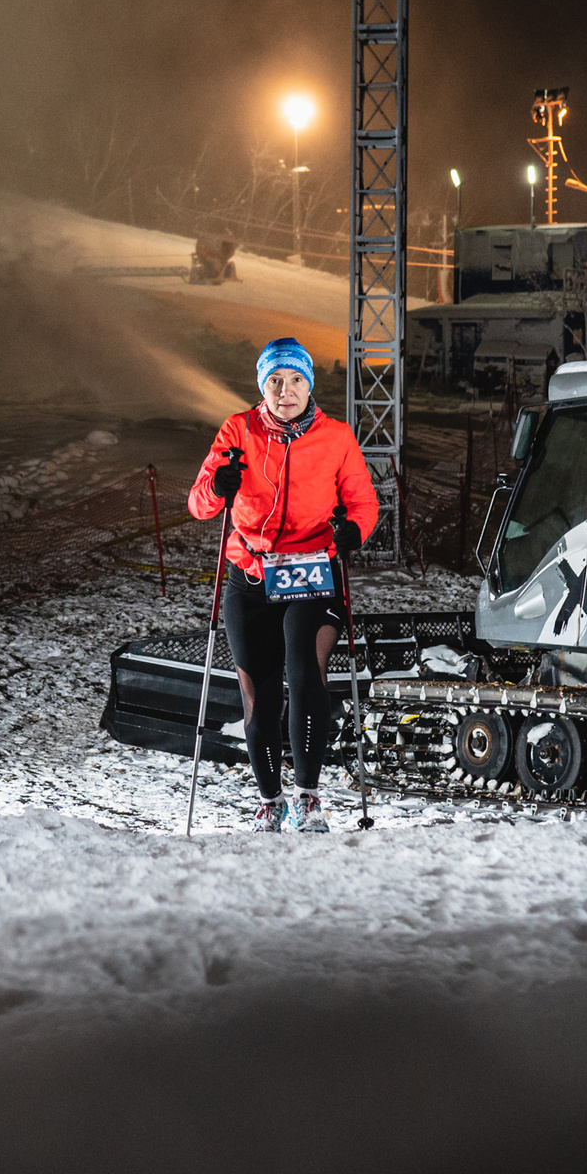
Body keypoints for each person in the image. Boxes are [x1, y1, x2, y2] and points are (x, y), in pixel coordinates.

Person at [190, 338, 380, 833]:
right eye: (275, 380)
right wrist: (217, 486)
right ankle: (271, 800)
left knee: (304, 672)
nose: (285, 390)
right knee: (259, 692)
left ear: (309, 385)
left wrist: (352, 532)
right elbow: (198, 504)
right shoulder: (238, 430)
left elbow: (364, 503)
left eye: (296, 380)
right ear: (262, 386)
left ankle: (309, 798)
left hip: (310, 571)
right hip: (250, 574)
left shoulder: (336, 437)